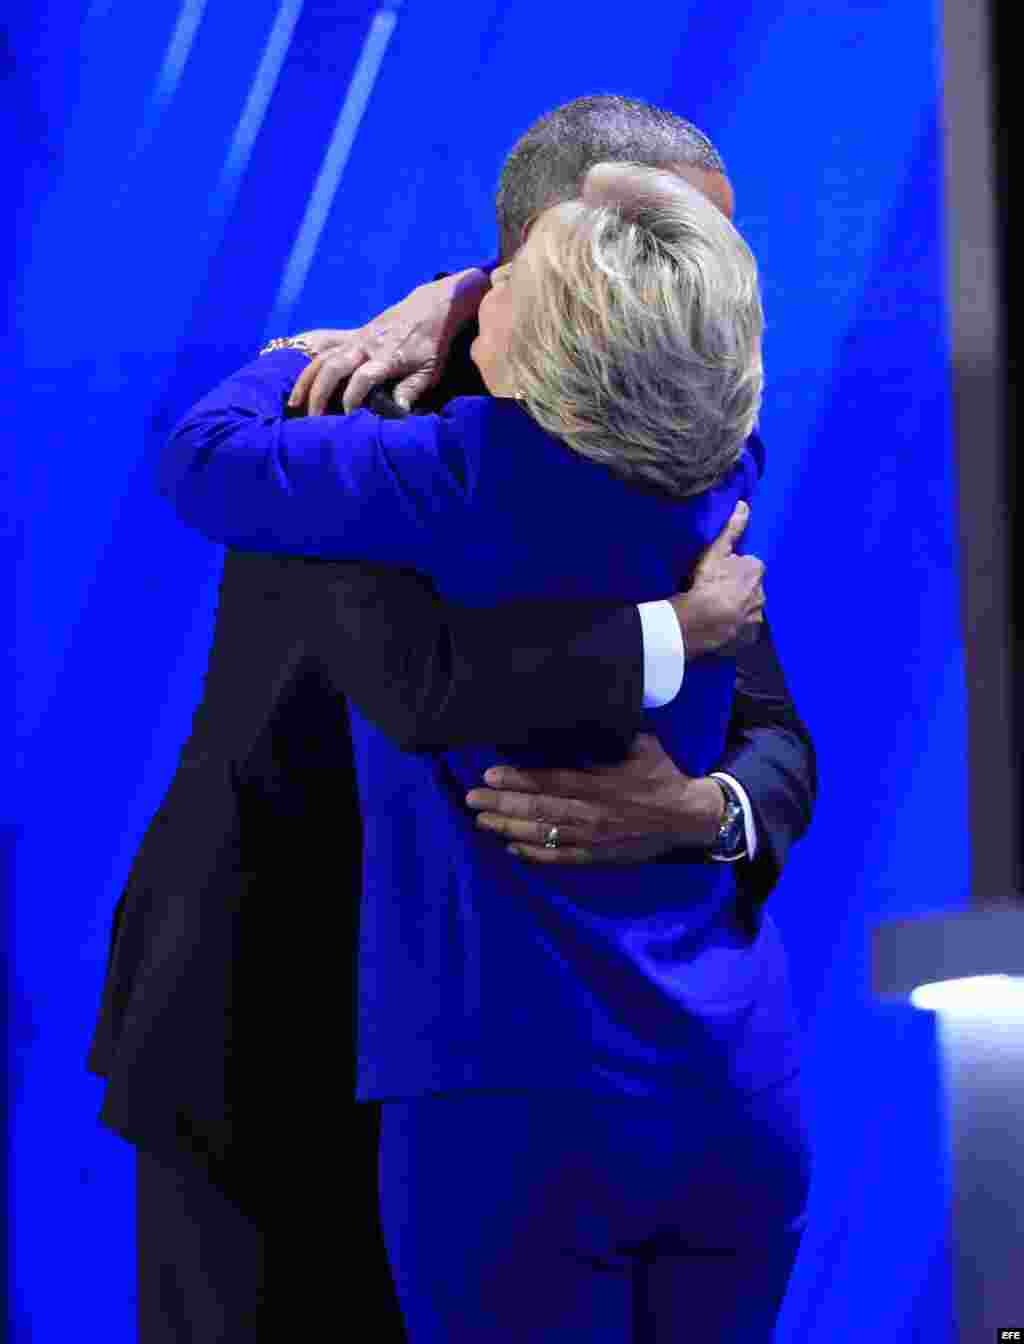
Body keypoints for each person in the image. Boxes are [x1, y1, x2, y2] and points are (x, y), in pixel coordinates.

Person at [86, 96, 815, 1341]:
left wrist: (702, 809)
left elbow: (778, 743)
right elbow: (422, 684)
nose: (698, 294)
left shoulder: (676, 443)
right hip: (273, 1052)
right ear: (541, 251)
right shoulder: (359, 414)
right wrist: (665, 637)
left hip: (535, 1085)